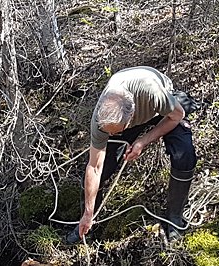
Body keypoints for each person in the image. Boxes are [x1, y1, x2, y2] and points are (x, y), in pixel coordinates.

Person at [75, 66, 199, 241]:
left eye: (116, 132)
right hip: (125, 115)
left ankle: (174, 218)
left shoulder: (153, 94)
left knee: (185, 154)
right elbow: (94, 167)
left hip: (164, 110)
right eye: (109, 132)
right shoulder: (101, 119)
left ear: (131, 117)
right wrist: (87, 213)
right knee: (102, 171)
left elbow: (178, 115)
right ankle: (90, 221)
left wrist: (142, 141)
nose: (111, 136)